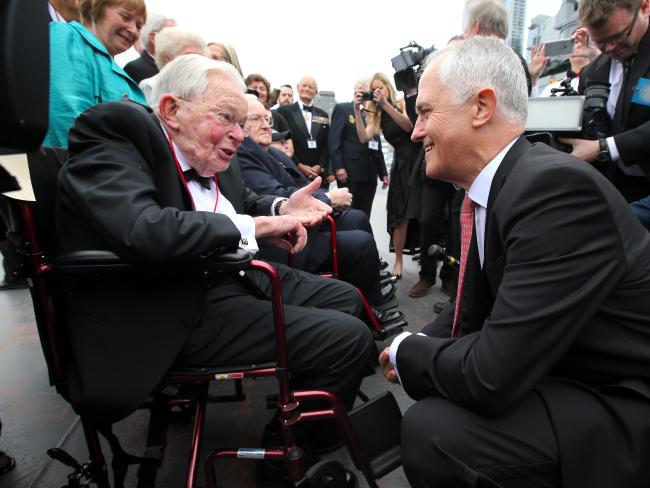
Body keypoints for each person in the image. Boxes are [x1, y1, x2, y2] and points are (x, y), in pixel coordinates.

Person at [55, 55, 374, 460]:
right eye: (227, 117)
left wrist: (279, 209)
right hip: (175, 304)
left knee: (347, 299)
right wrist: (255, 229)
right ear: (172, 109)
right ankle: (290, 454)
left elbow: (237, 204)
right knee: (349, 339)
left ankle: (304, 403)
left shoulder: (208, 149)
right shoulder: (117, 133)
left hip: (231, 276)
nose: (239, 135)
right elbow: (143, 228)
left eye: (243, 122)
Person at [379, 35, 650, 488]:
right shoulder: (508, 185)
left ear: (481, 107)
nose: (415, 131)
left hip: (620, 401)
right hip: (567, 371)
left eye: (426, 112)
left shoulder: (554, 191)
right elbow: (470, 312)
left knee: (435, 433)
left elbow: (491, 375)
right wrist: (409, 342)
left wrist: (411, 354)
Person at [237, 98, 402, 325]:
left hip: (304, 223)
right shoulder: (243, 153)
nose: (266, 125)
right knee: (361, 243)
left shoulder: (271, 154)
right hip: (285, 239)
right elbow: (276, 195)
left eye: (267, 118)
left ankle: (370, 285)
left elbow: (295, 190)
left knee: (357, 218)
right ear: (238, 124)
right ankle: (369, 313)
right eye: (255, 120)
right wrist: (328, 199)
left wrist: (326, 198)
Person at [560, 0, 650, 224]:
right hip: (615, 192)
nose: (610, 49)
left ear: (645, 8)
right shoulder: (593, 71)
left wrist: (604, 148)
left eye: (619, 37)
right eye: (601, 42)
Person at [44, 0, 148, 148]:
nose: (133, 30)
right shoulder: (67, 36)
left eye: (139, 26)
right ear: (96, 10)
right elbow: (64, 118)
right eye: (125, 17)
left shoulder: (115, 68)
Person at [353, 73, 416, 279]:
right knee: (399, 214)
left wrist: (386, 104)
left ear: (388, 87)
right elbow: (364, 137)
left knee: (422, 212)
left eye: (382, 88)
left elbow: (408, 126)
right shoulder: (377, 114)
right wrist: (357, 109)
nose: (379, 92)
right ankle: (398, 260)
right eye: (375, 89)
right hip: (400, 165)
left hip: (417, 160)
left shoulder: (400, 102)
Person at [329, 77, 389, 218]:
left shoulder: (373, 112)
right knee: (348, 213)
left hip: (370, 174)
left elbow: (376, 143)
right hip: (350, 173)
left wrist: (383, 172)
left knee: (365, 214)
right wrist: (338, 167)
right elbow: (333, 140)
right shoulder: (343, 109)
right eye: (367, 91)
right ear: (358, 91)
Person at [464, 0, 533, 95]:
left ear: (477, 28)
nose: (465, 37)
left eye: (466, 32)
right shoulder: (520, 63)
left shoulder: (471, 63)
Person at [277, 76, 332, 187]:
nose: (307, 89)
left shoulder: (323, 115)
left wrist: (320, 166)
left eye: (311, 87)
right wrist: (299, 165)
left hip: (318, 175)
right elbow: (283, 142)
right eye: (304, 85)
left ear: (316, 92)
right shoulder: (284, 111)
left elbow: (327, 144)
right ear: (297, 88)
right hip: (293, 172)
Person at [138, 28, 206, 105]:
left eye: (200, 57)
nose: (196, 61)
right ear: (169, 59)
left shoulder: (205, 88)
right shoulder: (150, 86)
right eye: (189, 56)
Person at [529, 27, 601, 97]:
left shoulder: (602, 83)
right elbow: (535, 107)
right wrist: (533, 78)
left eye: (584, 43)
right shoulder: (552, 88)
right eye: (574, 42)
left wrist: (595, 51)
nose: (578, 45)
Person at [123, 13, 175, 83]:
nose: (177, 38)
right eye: (171, 33)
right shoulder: (134, 69)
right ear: (153, 37)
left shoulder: (175, 66)